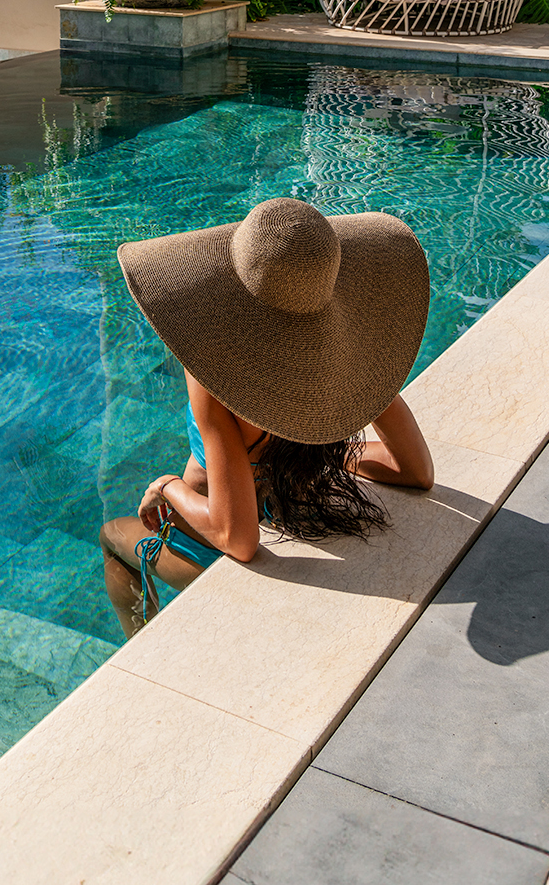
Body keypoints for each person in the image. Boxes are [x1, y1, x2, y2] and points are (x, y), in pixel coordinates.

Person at [100, 195, 435, 638]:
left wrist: (168, 487)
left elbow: (236, 537)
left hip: (209, 541)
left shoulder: (212, 368)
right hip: (290, 507)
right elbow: (415, 471)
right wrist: (324, 439)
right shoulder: (353, 354)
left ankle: (142, 647)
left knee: (111, 537)